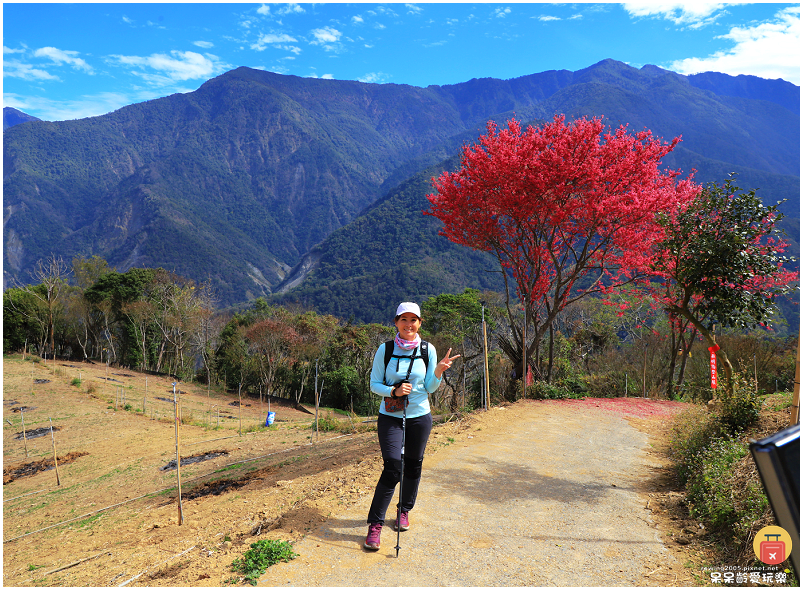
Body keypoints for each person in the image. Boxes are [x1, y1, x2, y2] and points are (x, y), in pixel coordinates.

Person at [364, 301, 460, 551]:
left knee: (414, 465)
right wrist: (393, 390)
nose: (409, 324)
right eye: (403, 319)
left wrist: (438, 371)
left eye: (413, 320)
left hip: (419, 416)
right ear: (396, 322)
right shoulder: (384, 350)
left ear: (419, 323)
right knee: (393, 467)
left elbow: (429, 387)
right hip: (391, 416)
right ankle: (375, 524)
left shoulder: (428, 350)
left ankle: (404, 510)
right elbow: (374, 384)